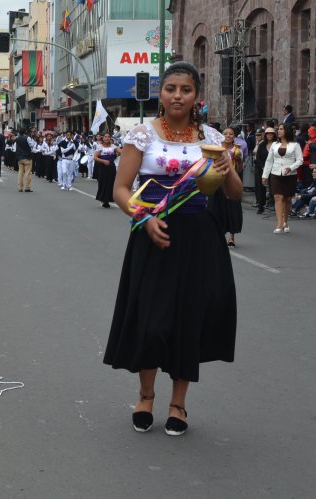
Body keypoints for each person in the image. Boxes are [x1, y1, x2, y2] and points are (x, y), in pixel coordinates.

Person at [104, 61, 238, 437]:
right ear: (160, 93)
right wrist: (144, 219)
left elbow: (234, 194)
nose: (178, 96)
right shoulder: (142, 136)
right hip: (152, 236)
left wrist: (228, 166)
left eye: (186, 90)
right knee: (151, 321)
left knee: (188, 320)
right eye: (171, 89)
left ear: (197, 97)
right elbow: (120, 189)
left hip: (199, 239)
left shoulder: (210, 137)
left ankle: (178, 403)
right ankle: (145, 396)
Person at [208, 126, 245, 247]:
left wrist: (238, 161)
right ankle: (219, 235)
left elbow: (239, 170)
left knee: (232, 209)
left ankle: (232, 237)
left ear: (234, 137)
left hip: (231, 182)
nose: (228, 136)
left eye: (231, 134)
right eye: (226, 133)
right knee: (217, 208)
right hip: (218, 181)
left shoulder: (237, 150)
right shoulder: (217, 149)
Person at [262, 123, 302, 234]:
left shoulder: (295, 145)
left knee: (287, 199)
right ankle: (279, 223)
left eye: (281, 129)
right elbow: (269, 160)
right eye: (278, 129)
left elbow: (300, 160)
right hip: (275, 174)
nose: (278, 131)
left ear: (287, 131)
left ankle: (285, 221)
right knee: (278, 197)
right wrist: (265, 175)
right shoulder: (274, 145)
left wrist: (291, 167)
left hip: (290, 175)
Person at [93, 133, 118, 208]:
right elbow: (95, 157)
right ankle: (103, 200)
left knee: (111, 183)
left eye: (108, 137)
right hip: (102, 167)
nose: (107, 138)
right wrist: (103, 161)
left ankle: (109, 199)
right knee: (103, 182)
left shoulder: (113, 146)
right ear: (103, 138)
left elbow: (122, 151)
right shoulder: (100, 147)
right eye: (105, 137)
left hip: (111, 167)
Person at [13, 128, 36, 192]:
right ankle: (27, 187)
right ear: (25, 132)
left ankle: (20, 187)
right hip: (27, 157)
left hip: (20, 158)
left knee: (20, 173)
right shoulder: (27, 138)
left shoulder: (17, 138)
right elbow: (32, 145)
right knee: (27, 173)